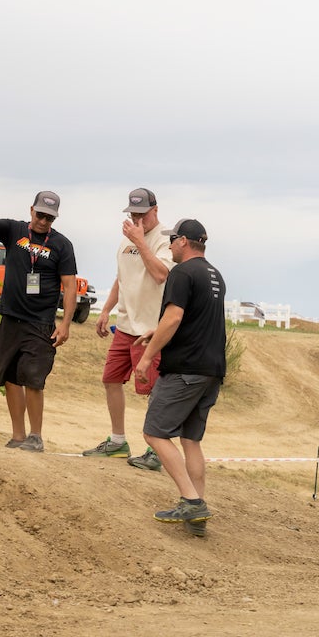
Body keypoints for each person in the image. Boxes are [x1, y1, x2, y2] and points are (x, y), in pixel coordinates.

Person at [0, 191, 79, 452]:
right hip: (11, 318)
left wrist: (65, 323)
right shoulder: (14, 230)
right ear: (31, 210)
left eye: (50, 218)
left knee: (33, 378)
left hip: (40, 322)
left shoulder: (62, 245)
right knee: (10, 376)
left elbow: (69, 286)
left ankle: (36, 436)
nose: (44, 221)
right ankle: (18, 435)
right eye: (41, 214)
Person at [133, 218, 226, 537]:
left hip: (185, 370)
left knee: (154, 433)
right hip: (211, 371)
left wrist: (146, 358)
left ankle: (191, 501)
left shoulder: (182, 272)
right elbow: (193, 320)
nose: (169, 245)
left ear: (184, 241)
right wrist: (155, 332)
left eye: (172, 239)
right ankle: (196, 516)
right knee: (190, 440)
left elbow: (174, 317)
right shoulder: (214, 274)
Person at [82, 188, 175, 470]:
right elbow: (121, 278)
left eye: (142, 214)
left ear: (155, 211)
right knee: (110, 379)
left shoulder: (164, 239)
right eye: (133, 214)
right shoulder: (125, 242)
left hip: (151, 330)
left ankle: (156, 449)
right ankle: (118, 441)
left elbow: (161, 274)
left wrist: (140, 241)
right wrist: (107, 309)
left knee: (152, 389)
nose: (137, 219)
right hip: (124, 326)